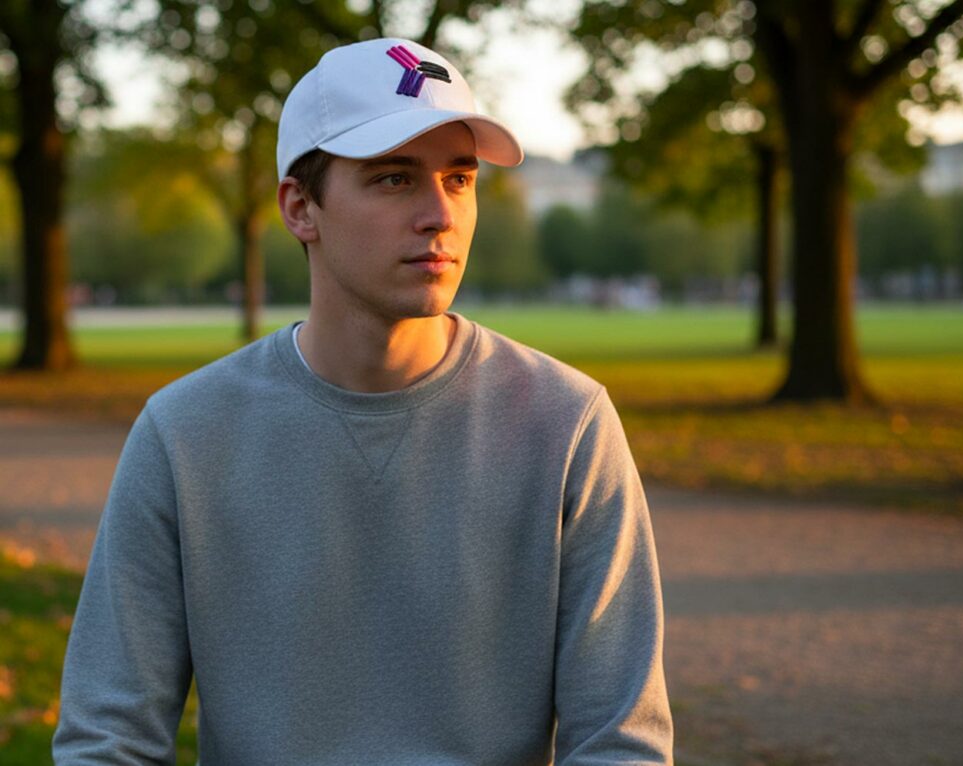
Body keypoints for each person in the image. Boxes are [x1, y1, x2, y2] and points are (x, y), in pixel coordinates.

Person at [54, 37, 673, 765]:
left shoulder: (566, 423)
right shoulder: (184, 433)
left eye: (459, 178)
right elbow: (108, 738)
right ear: (300, 207)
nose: (440, 214)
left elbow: (620, 743)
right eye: (393, 179)